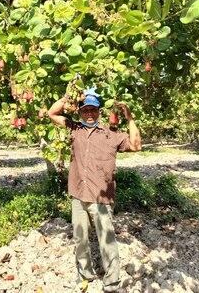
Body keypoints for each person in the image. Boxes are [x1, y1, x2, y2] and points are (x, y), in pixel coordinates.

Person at [48, 88, 142, 292]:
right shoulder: (75, 129)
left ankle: (112, 282)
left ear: (99, 112)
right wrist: (68, 97)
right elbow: (52, 113)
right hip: (78, 194)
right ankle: (85, 273)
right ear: (80, 112)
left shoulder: (112, 134)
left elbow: (136, 145)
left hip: (101, 197)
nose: (89, 114)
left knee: (106, 240)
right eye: (85, 111)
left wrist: (130, 118)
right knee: (80, 238)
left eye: (93, 111)